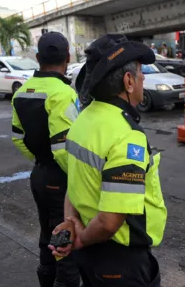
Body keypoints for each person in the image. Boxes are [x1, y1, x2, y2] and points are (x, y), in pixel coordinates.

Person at [50, 34, 167, 287]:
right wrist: (79, 239)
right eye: (139, 71)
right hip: (119, 259)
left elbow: (74, 183)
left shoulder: (84, 118)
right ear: (128, 81)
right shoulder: (126, 135)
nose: (143, 77)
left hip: (90, 252)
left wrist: (71, 223)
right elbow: (109, 221)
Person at [11, 32, 80, 287]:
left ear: (38, 58)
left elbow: (18, 138)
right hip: (61, 178)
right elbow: (63, 149)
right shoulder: (63, 93)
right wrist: (78, 177)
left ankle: (46, 280)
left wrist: (41, 160)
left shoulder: (21, 93)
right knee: (65, 244)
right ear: (68, 58)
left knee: (46, 235)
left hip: (39, 175)